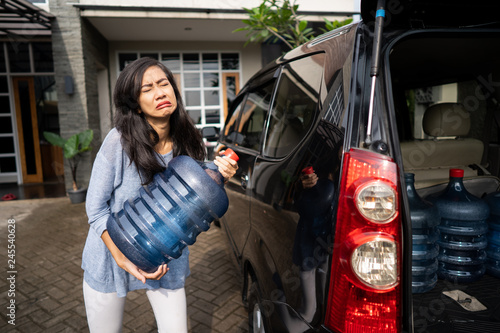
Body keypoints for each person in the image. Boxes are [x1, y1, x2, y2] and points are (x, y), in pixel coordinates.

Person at [81, 57, 238, 332]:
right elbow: (95, 209)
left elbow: (194, 204)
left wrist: (219, 176)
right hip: (111, 251)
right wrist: (123, 258)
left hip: (164, 252)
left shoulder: (188, 140)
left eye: (164, 83)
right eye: (147, 89)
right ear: (135, 104)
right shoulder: (119, 142)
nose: (160, 93)